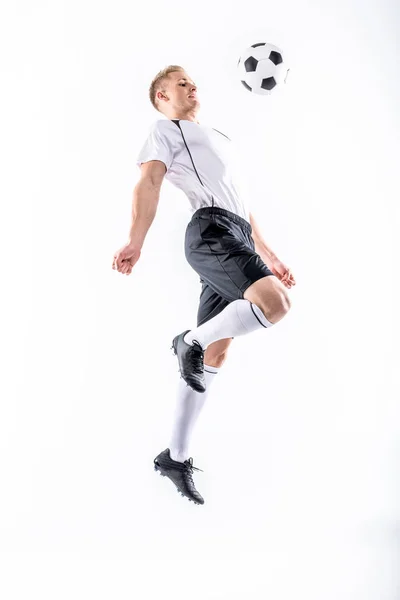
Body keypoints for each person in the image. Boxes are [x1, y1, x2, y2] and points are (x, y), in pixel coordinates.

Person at [112, 65, 296, 505]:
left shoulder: (220, 140)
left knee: (216, 352)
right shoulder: (166, 129)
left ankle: (175, 457)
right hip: (211, 231)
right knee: (276, 304)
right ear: (161, 97)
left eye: (193, 81)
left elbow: (241, 204)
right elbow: (150, 181)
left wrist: (269, 255)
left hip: (235, 232)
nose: (192, 86)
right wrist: (135, 240)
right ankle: (186, 341)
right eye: (181, 82)